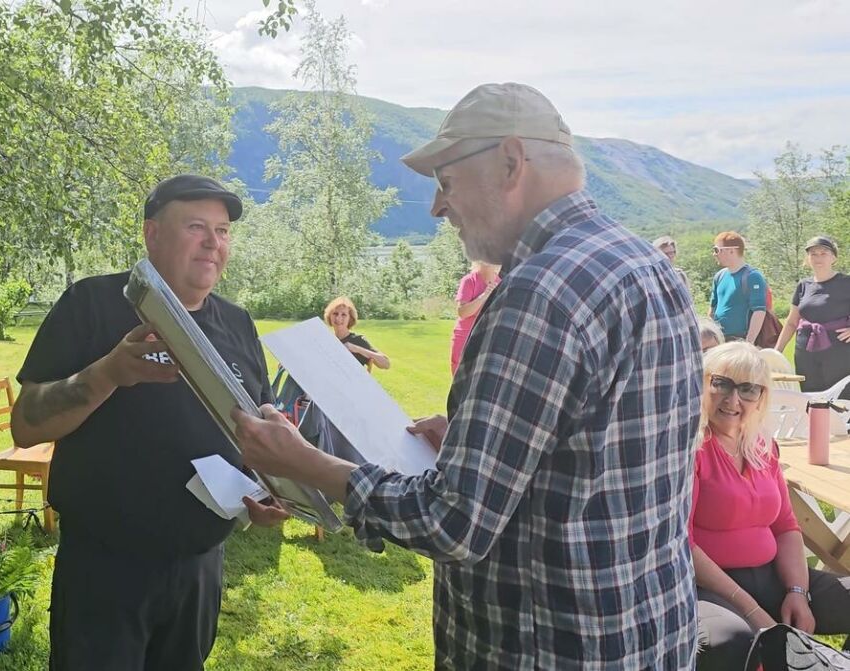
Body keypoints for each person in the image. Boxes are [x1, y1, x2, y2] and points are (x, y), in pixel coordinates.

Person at [231, 82, 701, 669]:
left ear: (510, 162)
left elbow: (452, 521)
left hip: (548, 647)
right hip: (645, 631)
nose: (436, 207)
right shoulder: (643, 263)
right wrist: (482, 441)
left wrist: (307, 464)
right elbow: (610, 456)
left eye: (446, 182)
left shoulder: (538, 292)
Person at [10, 175, 288, 671]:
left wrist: (269, 491)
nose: (213, 243)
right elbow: (26, 424)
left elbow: (255, 433)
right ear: (152, 233)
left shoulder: (238, 323)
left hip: (200, 567)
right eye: (197, 227)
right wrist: (109, 372)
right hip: (104, 570)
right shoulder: (91, 304)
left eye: (223, 231)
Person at [691, 341, 850, 670]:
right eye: (721, 383)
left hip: (774, 576)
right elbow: (683, 543)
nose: (733, 399)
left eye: (748, 389)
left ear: (762, 397)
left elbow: (786, 526)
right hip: (710, 586)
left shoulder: (763, 447)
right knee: (729, 641)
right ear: (702, 383)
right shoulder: (692, 450)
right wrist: (752, 611)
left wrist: (797, 591)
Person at [774, 235, 850, 400]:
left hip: (839, 351)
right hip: (806, 353)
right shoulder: (803, 285)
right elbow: (791, 322)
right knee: (811, 399)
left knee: (841, 399)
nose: (818, 257)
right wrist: (776, 352)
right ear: (807, 259)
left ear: (834, 257)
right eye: (813, 254)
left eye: (823, 253)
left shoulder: (846, 283)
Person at [709, 231, 769, 342]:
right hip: (720, 341)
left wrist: (748, 343)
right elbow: (713, 308)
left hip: (740, 341)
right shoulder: (719, 276)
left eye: (717, 250)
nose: (714, 254)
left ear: (731, 250)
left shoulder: (753, 276)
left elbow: (759, 312)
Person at [450, 261, 500, 374]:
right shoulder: (469, 281)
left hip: (487, 338)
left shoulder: (501, 284)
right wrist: (484, 296)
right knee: (460, 381)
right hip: (464, 337)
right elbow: (462, 312)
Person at [323, 296, 390, 369]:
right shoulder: (326, 340)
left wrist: (357, 349)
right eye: (335, 313)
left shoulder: (358, 340)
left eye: (344, 315)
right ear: (329, 316)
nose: (338, 318)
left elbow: (386, 364)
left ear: (350, 319)